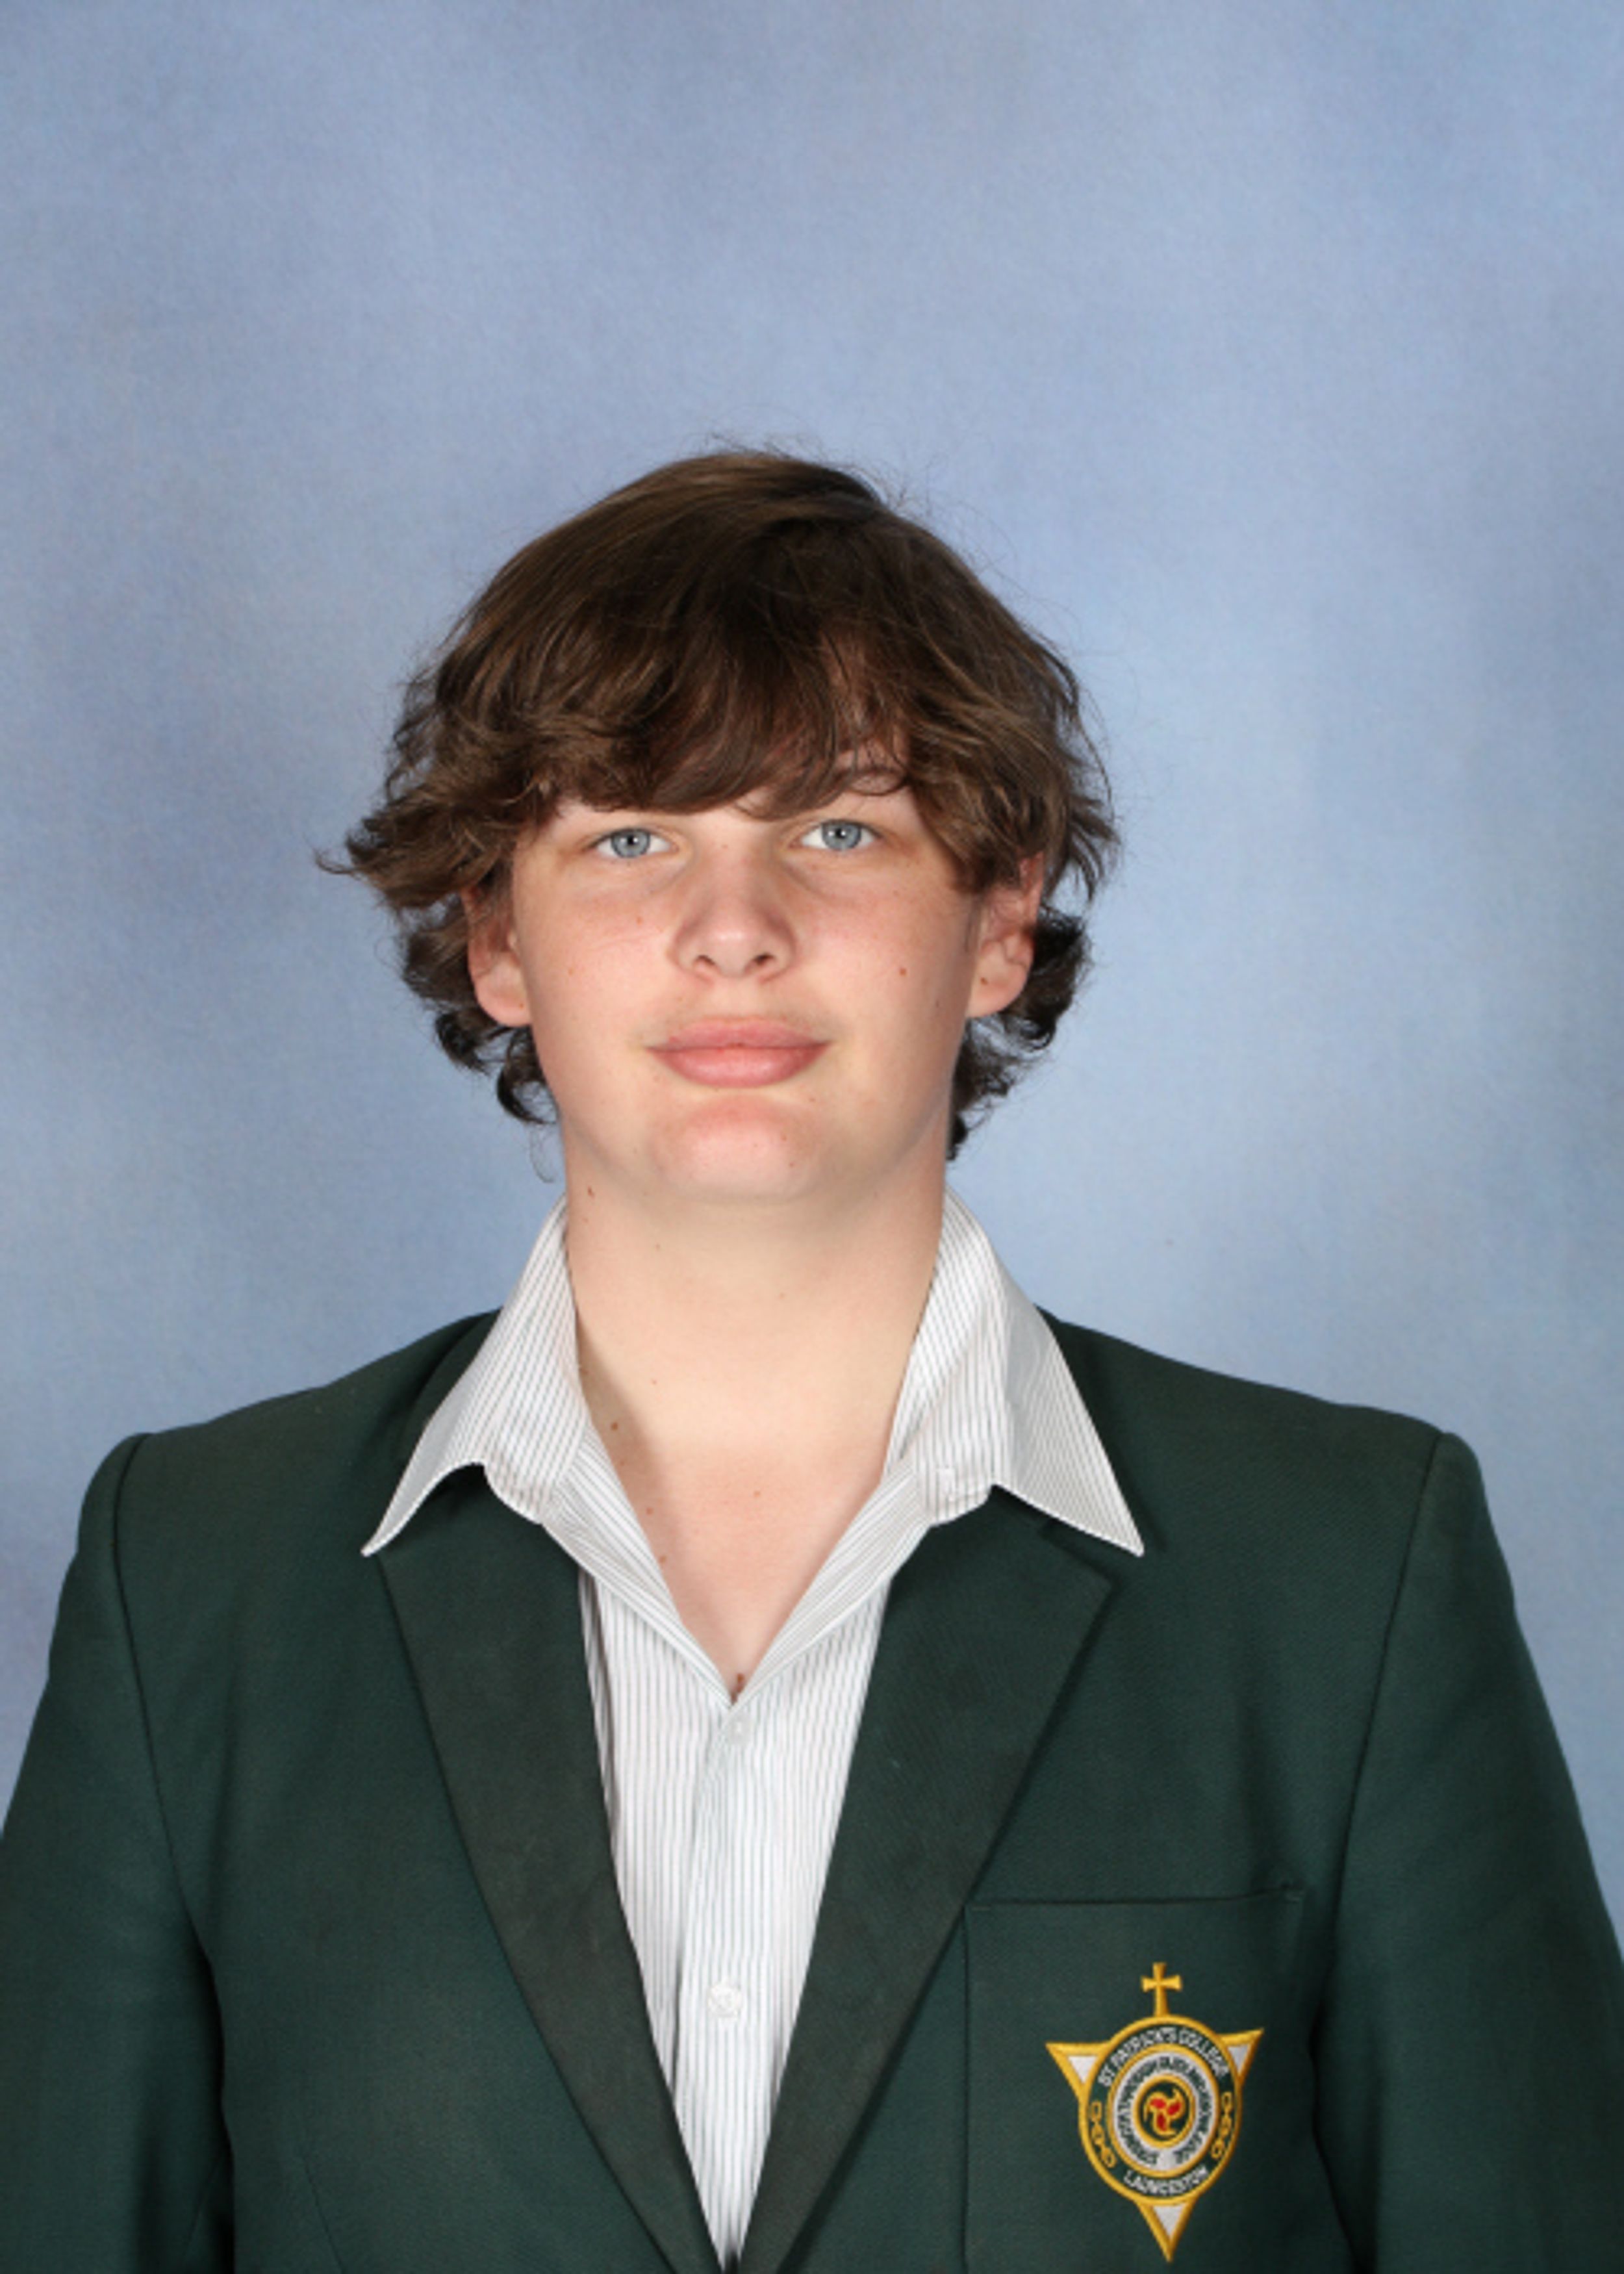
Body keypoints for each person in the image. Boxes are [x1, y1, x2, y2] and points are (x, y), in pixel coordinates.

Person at [1, 451, 1620, 2273]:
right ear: (496, 934)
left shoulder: (1351, 1574)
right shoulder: (195, 1580)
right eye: (631, 836)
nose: (734, 927)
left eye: (840, 830)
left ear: (999, 918)